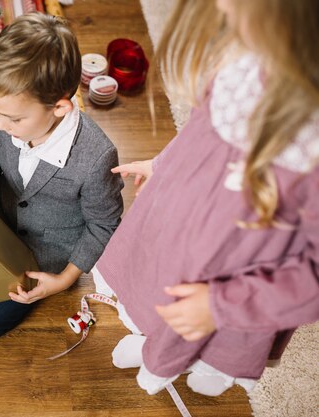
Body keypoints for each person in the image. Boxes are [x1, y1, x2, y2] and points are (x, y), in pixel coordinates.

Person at [93, 0, 319, 397]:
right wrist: (163, 165)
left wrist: (220, 305)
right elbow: (202, 133)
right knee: (158, 293)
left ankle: (210, 369)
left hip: (236, 278)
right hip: (179, 230)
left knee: (208, 333)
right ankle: (155, 345)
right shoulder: (243, 56)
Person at [0, 13, 123, 340]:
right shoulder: (5, 116)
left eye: (11, 118)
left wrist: (66, 279)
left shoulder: (97, 157)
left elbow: (104, 224)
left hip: (44, 253)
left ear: (59, 108)